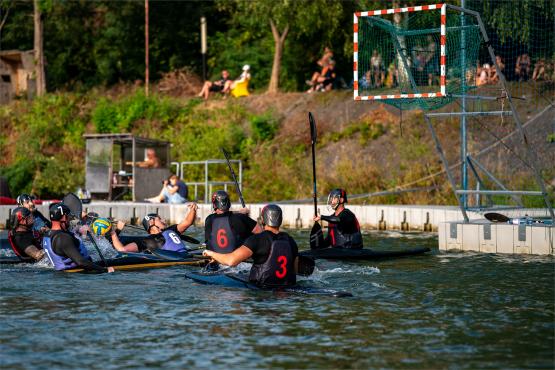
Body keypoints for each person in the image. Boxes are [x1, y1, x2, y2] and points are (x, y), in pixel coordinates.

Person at [203, 204, 298, 288]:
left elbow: (231, 261)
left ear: (263, 220)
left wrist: (211, 253)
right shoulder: (291, 241)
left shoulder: (256, 239)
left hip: (261, 289)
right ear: (280, 220)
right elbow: (295, 269)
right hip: (286, 288)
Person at [42, 203, 113, 272]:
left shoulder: (48, 234)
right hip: (76, 274)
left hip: (62, 274)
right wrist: (105, 270)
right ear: (63, 217)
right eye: (69, 217)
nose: (70, 220)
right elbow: (81, 262)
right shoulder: (63, 237)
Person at [110, 203, 198, 253]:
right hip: (174, 264)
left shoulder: (171, 230)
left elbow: (187, 222)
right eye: (159, 219)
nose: (164, 220)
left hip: (183, 257)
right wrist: (114, 232)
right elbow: (122, 250)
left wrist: (192, 210)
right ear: (151, 222)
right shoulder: (146, 241)